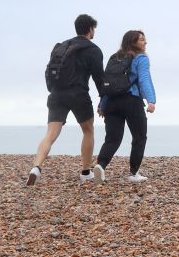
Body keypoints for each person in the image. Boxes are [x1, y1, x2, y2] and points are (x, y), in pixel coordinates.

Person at [27, 14, 104, 185]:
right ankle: (85, 172)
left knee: (51, 134)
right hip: (78, 94)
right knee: (88, 130)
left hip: (56, 94)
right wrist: (103, 99)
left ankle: (36, 167)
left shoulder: (61, 46)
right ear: (90, 29)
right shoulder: (93, 50)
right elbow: (99, 78)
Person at [92, 30, 157, 183]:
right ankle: (133, 173)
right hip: (131, 101)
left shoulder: (115, 58)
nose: (145, 42)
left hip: (113, 102)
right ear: (133, 42)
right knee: (139, 136)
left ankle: (101, 165)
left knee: (112, 138)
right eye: (141, 40)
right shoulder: (140, 58)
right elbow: (144, 79)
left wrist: (103, 103)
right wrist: (151, 100)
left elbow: (108, 84)